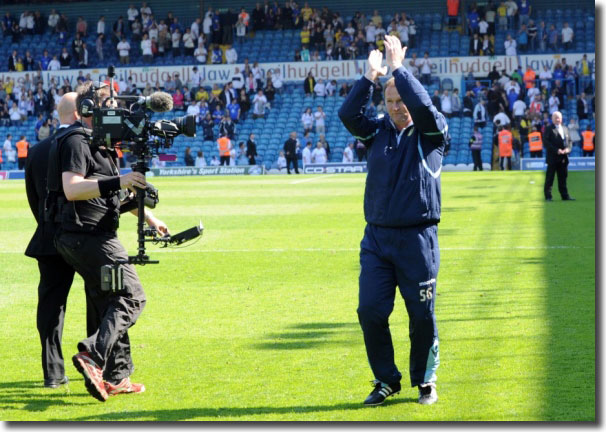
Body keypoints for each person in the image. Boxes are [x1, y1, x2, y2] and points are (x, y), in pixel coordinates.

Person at [338, 35, 445, 406]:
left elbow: (425, 107)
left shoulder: (432, 133)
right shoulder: (377, 131)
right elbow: (348, 115)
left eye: (402, 101)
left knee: (421, 316)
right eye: (391, 101)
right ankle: (386, 379)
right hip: (378, 240)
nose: (398, 108)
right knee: (369, 310)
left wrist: (399, 70)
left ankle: (425, 379)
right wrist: (371, 76)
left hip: (418, 240)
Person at [49, 81, 168, 402]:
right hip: (88, 237)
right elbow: (73, 189)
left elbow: (107, 197)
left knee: (111, 301)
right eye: (110, 105)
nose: (118, 112)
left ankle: (117, 376)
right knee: (132, 297)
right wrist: (122, 179)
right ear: (90, 111)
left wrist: (149, 217)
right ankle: (92, 354)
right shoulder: (76, 140)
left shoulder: (98, 142)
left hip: (89, 234)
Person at [24, 93, 79, 389]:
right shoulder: (82, 144)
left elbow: (34, 198)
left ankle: (53, 374)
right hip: (84, 235)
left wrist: (46, 224)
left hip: (48, 236)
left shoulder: (37, 149)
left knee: (50, 306)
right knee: (100, 296)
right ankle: (97, 364)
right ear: (80, 113)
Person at [544, 111, 574, 201]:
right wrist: (556, 150)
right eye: (556, 118)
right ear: (552, 119)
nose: (558, 119)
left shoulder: (565, 128)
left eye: (559, 118)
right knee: (550, 178)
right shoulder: (549, 129)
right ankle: (548, 196)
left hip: (563, 158)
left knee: (563, 178)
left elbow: (570, 141)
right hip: (553, 158)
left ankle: (565, 196)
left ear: (561, 119)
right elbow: (546, 142)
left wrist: (568, 149)